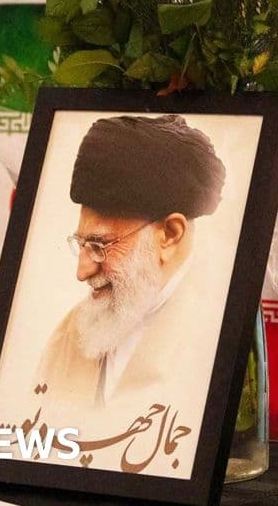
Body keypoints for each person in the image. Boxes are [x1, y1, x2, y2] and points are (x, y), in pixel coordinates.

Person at [34, 114, 226, 409]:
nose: (81, 272)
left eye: (100, 246)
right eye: (82, 244)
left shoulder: (216, 333)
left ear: (170, 234)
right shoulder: (71, 335)